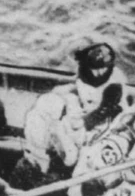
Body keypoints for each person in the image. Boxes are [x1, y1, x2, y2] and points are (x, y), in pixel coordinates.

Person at [16, 42, 127, 186]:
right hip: (82, 112)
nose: (99, 73)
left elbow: (104, 113)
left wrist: (83, 122)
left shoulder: (115, 86)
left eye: (103, 68)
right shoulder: (82, 75)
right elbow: (79, 89)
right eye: (95, 69)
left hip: (100, 125)